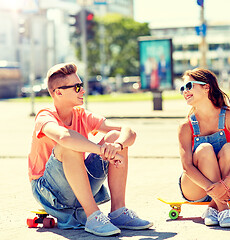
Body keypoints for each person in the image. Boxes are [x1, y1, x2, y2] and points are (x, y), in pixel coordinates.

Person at [28, 63, 153, 236]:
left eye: (82, 86)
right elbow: (64, 137)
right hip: (51, 192)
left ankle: (118, 212)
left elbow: (128, 131)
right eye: (77, 87)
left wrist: (116, 146)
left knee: (115, 137)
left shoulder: (81, 114)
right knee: (69, 145)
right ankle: (93, 216)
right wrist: (101, 150)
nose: (83, 91)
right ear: (58, 92)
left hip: (79, 186)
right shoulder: (45, 116)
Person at [178, 68, 230, 228]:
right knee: (204, 149)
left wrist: (225, 184)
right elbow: (187, 167)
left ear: (206, 87)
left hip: (228, 184)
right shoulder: (185, 126)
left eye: (189, 85)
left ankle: (212, 208)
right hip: (196, 187)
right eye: (182, 88)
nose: (185, 91)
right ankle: (223, 209)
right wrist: (214, 189)